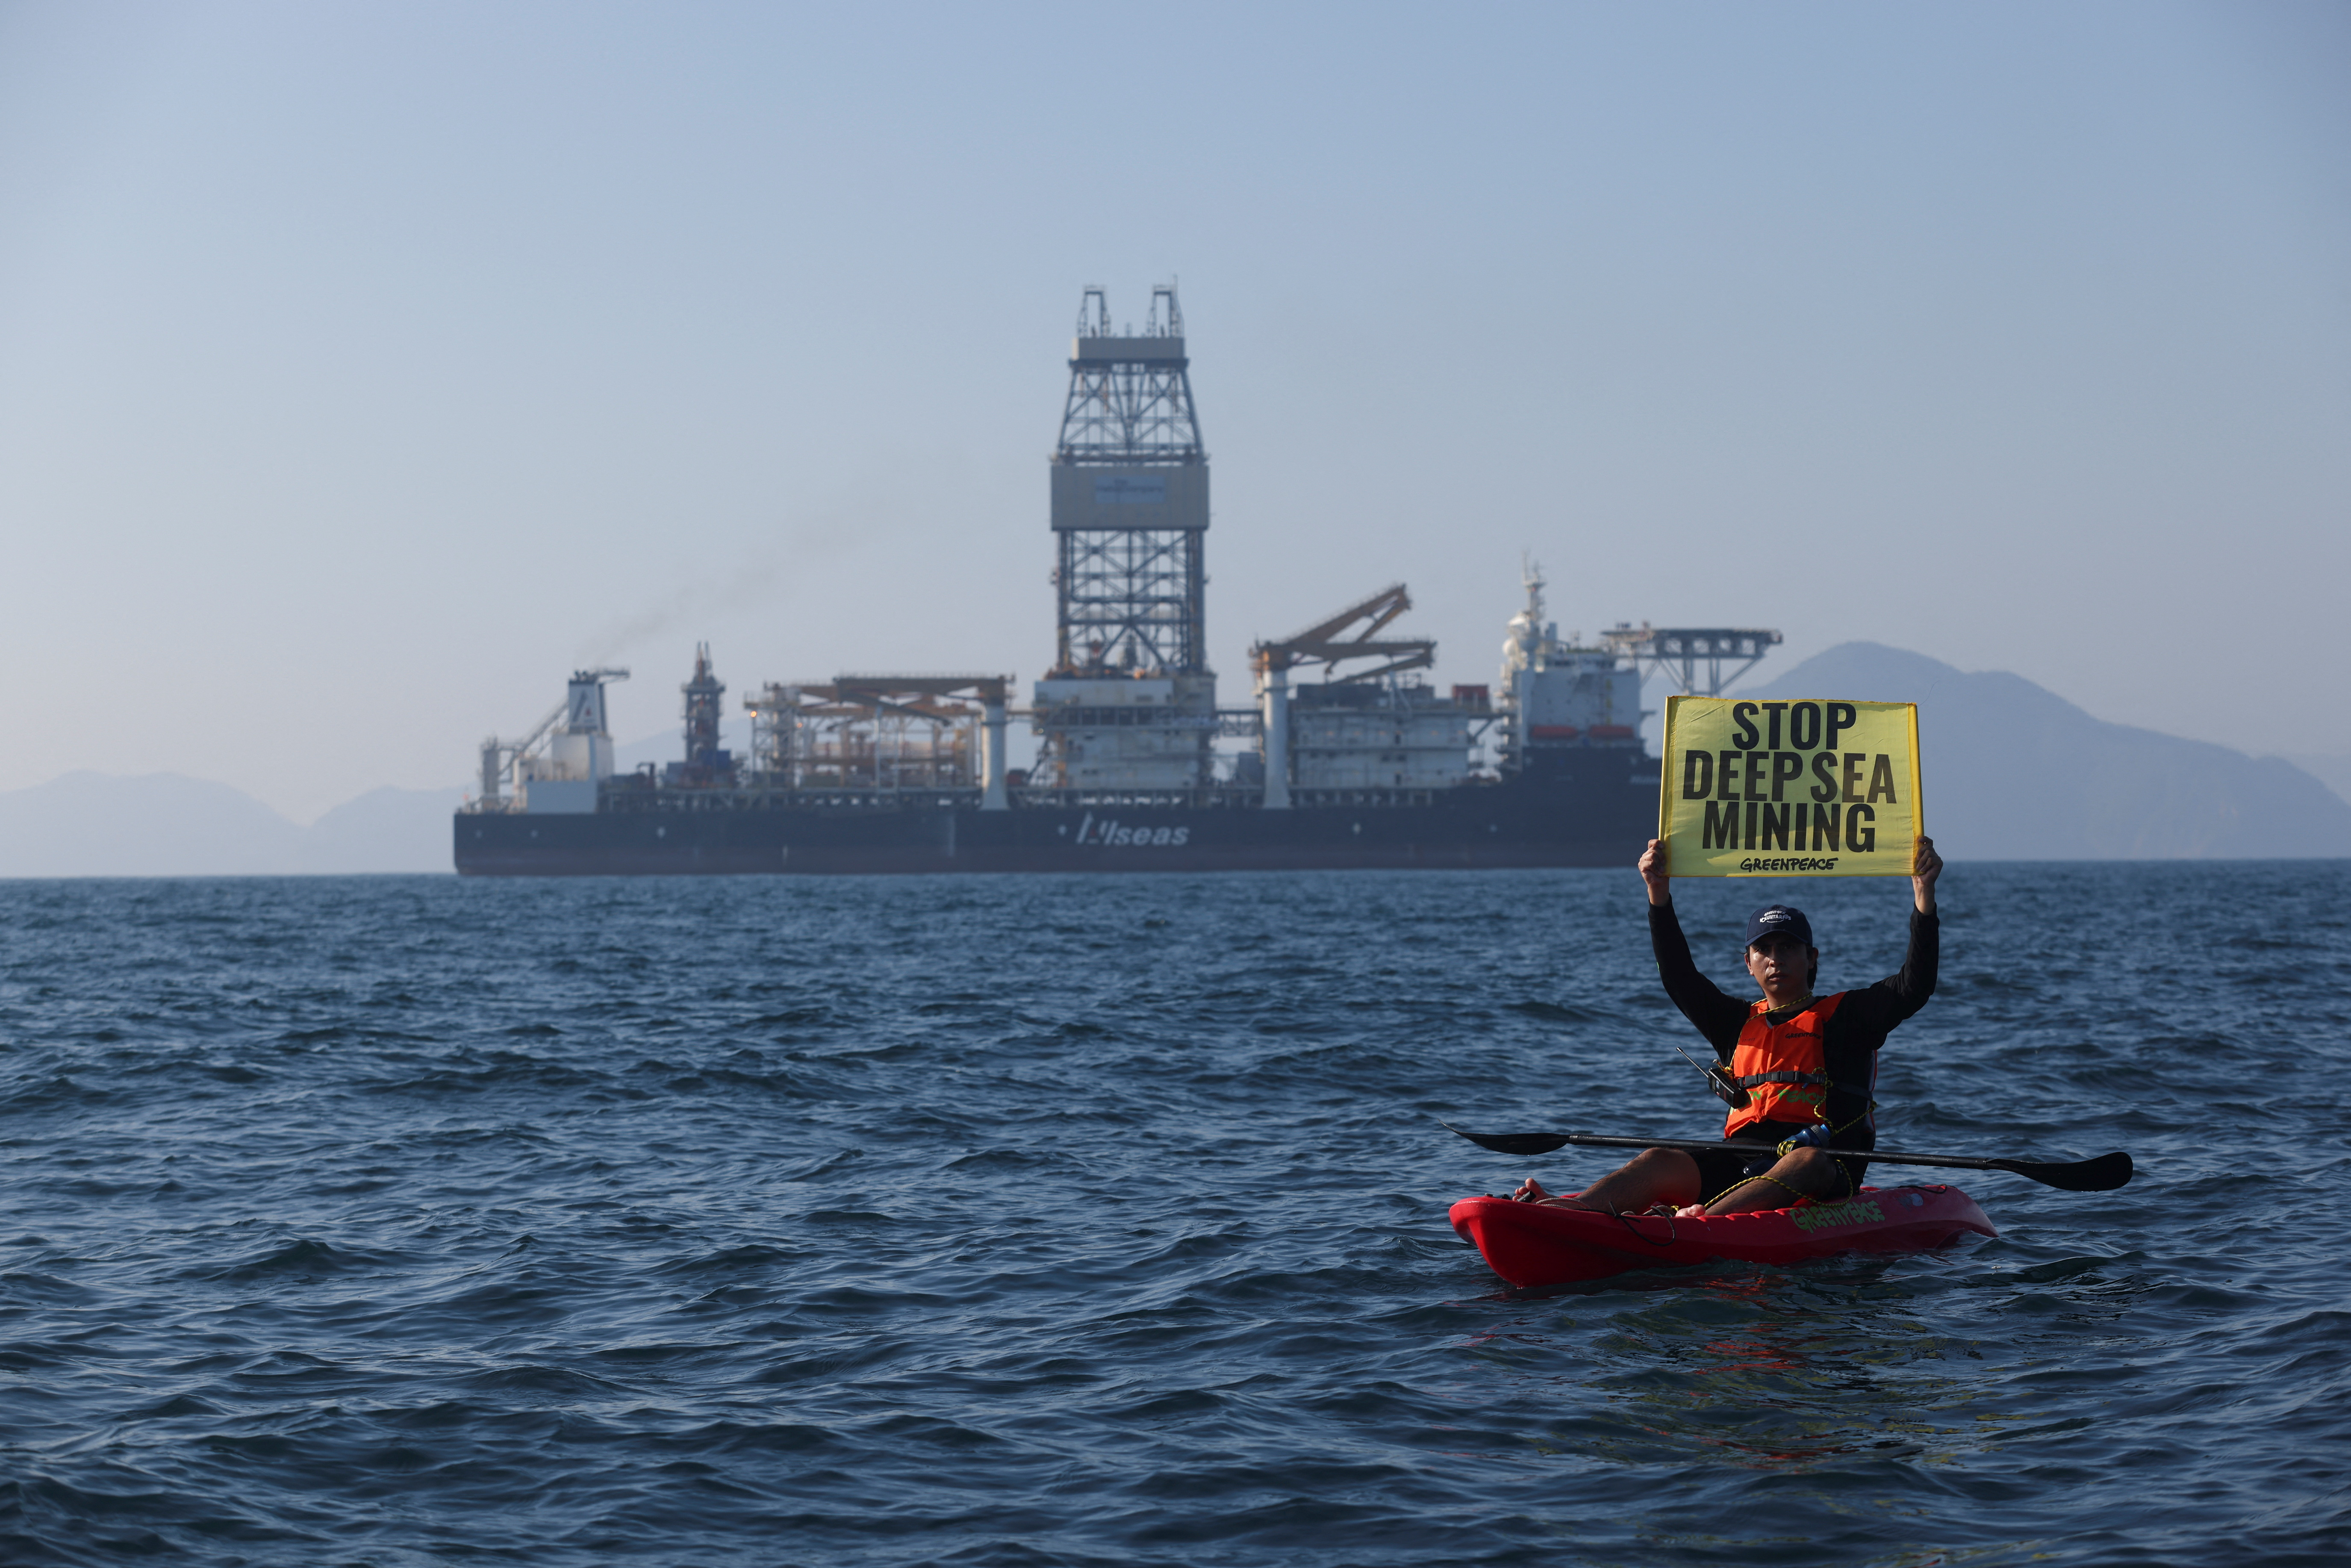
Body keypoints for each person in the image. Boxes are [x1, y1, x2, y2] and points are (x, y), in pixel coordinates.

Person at [1514, 834, 1944, 1216]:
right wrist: (1657, 892)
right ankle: (1575, 1211)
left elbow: (1914, 985)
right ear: (1749, 963)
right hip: (1740, 1163)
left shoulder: (1848, 1016)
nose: (1776, 957)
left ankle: (1698, 1223)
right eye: (1764, 948)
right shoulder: (1735, 1023)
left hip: (1822, 1166)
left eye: (1788, 947)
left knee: (1806, 1161)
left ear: (1811, 958)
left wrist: (1923, 896)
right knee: (1659, 1158)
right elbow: (1679, 977)